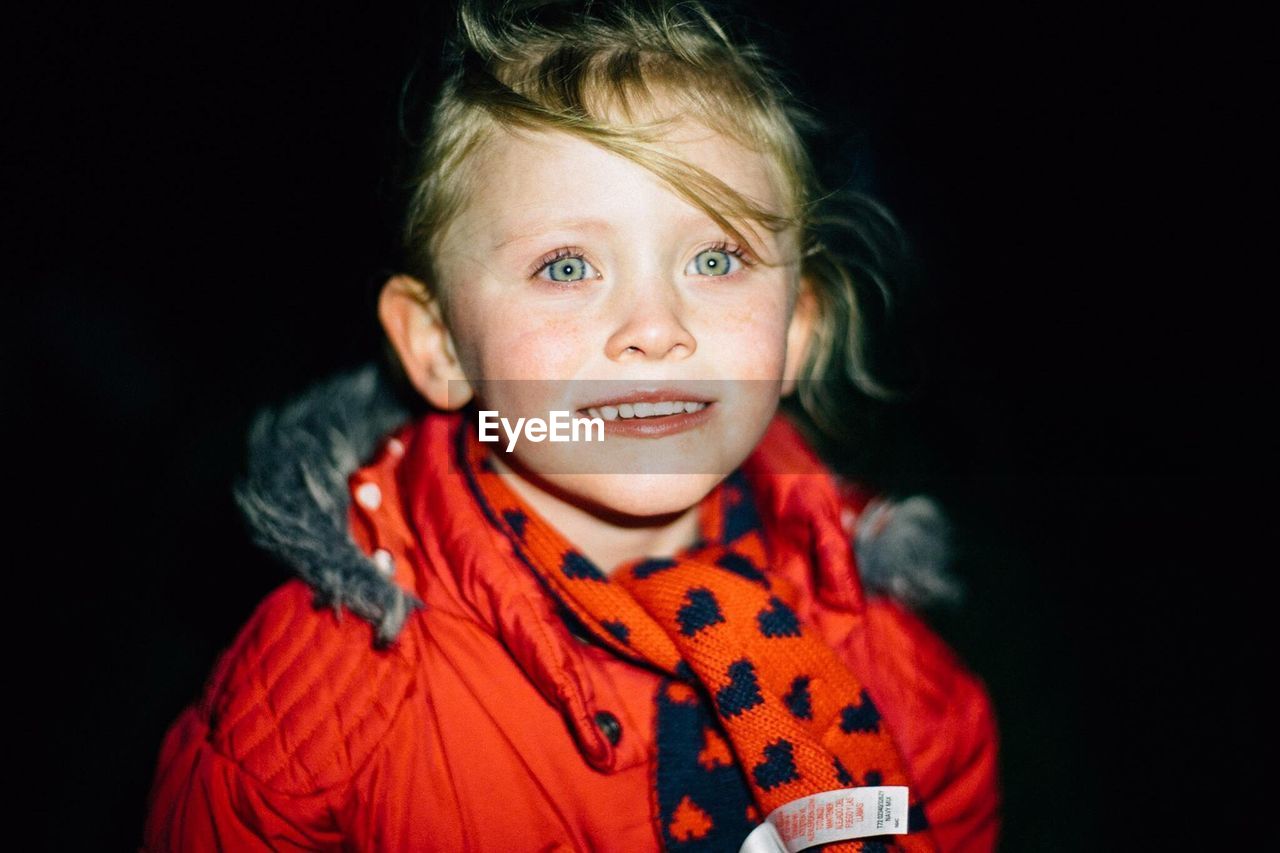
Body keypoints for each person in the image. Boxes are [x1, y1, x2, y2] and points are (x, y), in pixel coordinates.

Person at [142, 1, 1000, 849]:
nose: (657, 326)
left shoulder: (893, 672)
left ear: (796, 330)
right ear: (439, 344)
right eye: (566, 265)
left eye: (715, 258)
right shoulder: (315, 707)